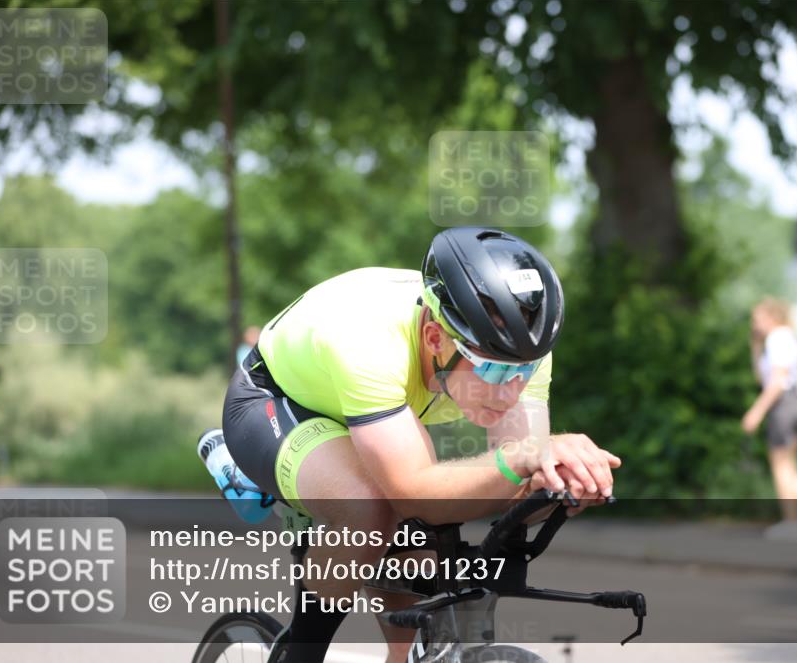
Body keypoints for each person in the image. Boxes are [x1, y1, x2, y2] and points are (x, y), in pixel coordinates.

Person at [221, 227, 621, 663]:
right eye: (493, 372)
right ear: (434, 338)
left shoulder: (521, 345)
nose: (510, 392)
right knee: (371, 508)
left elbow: (516, 486)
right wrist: (522, 458)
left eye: (523, 373)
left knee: (421, 580)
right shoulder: (368, 337)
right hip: (276, 400)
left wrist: (556, 482)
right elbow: (416, 493)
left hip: (386, 407)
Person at [742, 298, 797, 541]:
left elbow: (776, 381)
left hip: (784, 406)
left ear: (771, 317)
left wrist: (756, 411)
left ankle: (792, 521)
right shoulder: (789, 337)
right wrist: (756, 347)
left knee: (780, 466)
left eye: (757, 319)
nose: (754, 324)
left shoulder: (776, 338)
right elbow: (763, 377)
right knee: (789, 463)